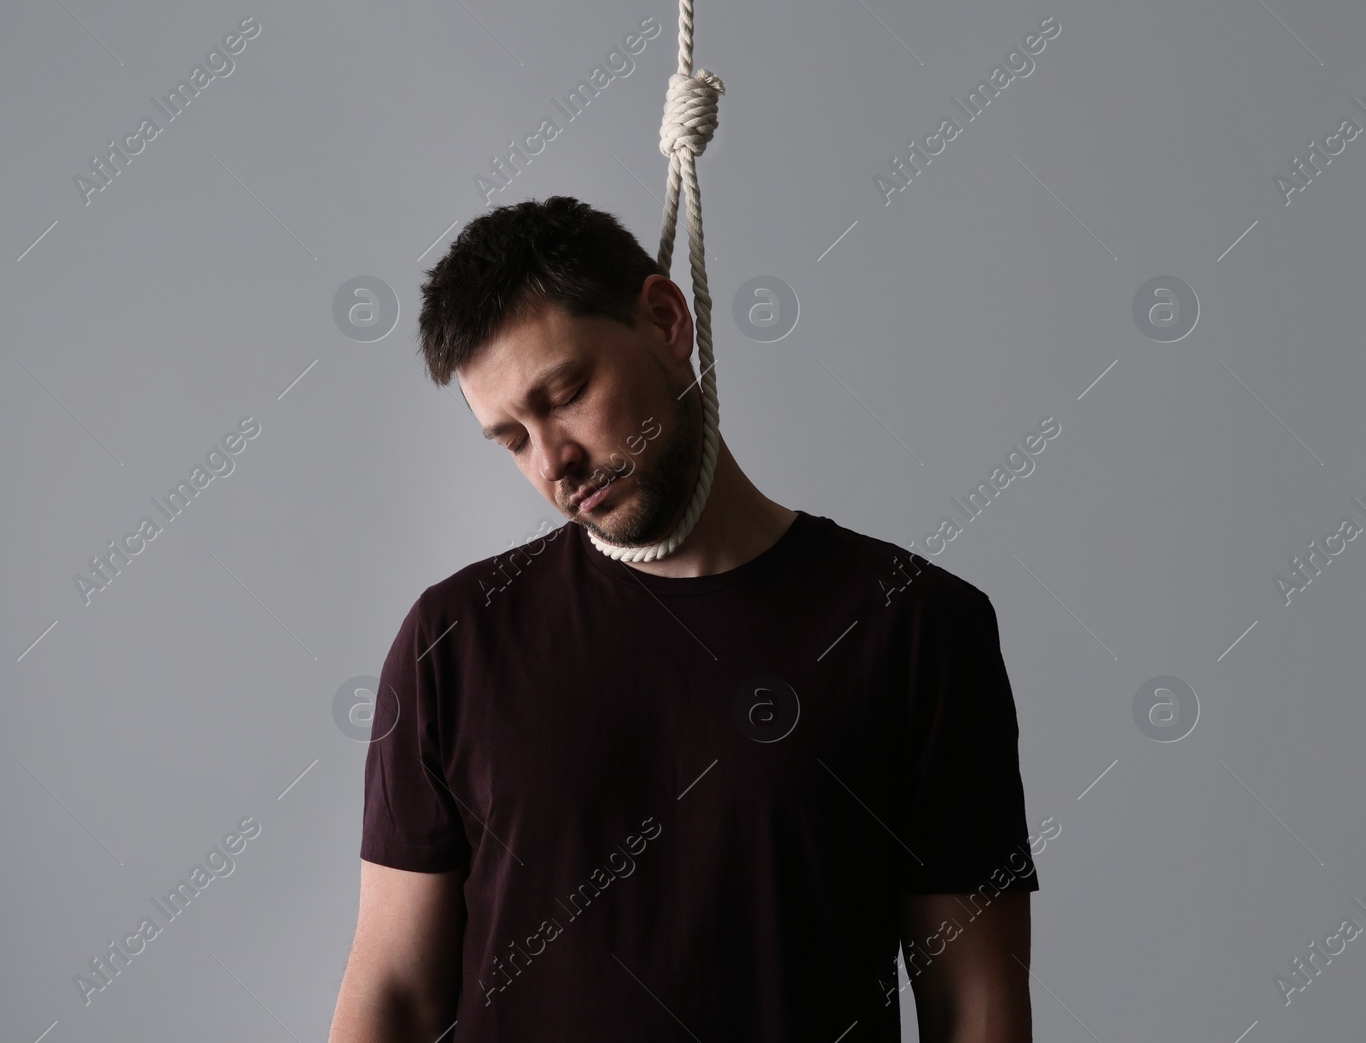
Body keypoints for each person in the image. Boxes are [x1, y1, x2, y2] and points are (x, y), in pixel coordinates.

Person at [329, 196, 1039, 1042]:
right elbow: (394, 997)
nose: (554, 462)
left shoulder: (913, 626)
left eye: (565, 394)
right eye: (512, 439)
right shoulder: (453, 639)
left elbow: (979, 1008)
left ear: (668, 322)